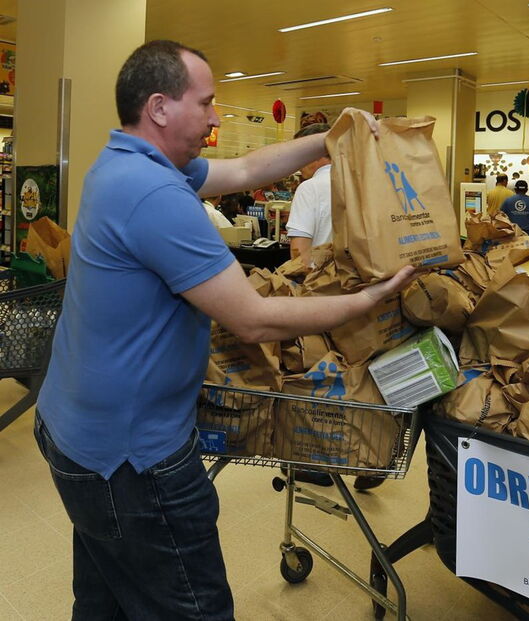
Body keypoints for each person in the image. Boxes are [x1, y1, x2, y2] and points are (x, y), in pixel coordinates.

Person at [33, 40, 418, 619]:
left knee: (107, 599)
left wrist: (333, 136)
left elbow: (244, 169)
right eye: (207, 102)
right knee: (195, 606)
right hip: (133, 460)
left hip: (78, 435)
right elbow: (251, 316)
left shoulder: (123, 162)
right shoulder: (155, 193)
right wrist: (365, 299)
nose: (217, 117)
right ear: (160, 107)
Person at [287, 122, 332, 261]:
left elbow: (299, 251)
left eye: (301, 156)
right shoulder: (359, 183)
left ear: (316, 154)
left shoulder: (309, 188)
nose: (298, 164)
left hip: (322, 278)